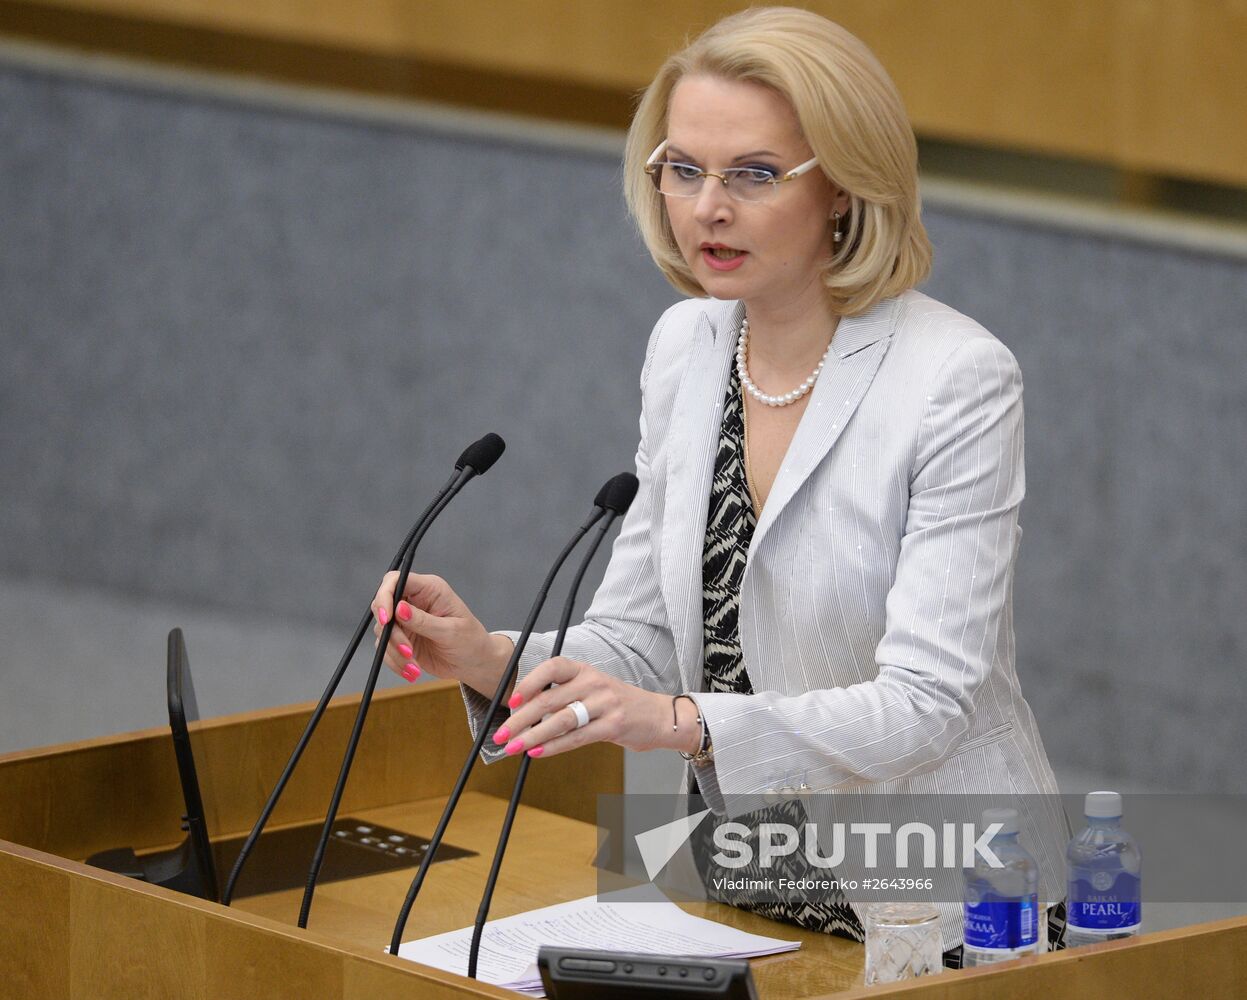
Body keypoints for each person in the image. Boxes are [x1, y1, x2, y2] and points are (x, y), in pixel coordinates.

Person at [372, 6, 1067, 963]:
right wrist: (491, 658)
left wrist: (683, 725)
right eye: (683, 169)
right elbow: (646, 638)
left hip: (946, 886)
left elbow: (927, 703)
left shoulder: (954, 378)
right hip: (748, 873)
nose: (707, 208)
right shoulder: (687, 345)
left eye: (751, 175)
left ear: (843, 186)